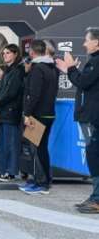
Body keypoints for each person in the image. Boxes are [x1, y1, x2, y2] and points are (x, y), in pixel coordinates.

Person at [56, 27, 99, 213]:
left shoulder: (96, 62)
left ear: (97, 42)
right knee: (94, 155)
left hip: (92, 116)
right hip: (91, 115)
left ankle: (97, 198)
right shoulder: (93, 61)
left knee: (94, 156)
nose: (84, 43)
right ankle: (95, 196)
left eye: (87, 40)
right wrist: (71, 70)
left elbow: (83, 82)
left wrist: (71, 68)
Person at [19, 39, 59, 195]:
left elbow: (33, 95)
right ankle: (46, 180)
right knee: (42, 149)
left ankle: (40, 183)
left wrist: (27, 114)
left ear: (32, 52)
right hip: (49, 113)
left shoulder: (37, 69)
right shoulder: (52, 68)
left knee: (35, 149)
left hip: (37, 115)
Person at [0, 44, 25, 182]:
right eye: (3, 53)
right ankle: (2, 170)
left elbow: (12, 92)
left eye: (8, 53)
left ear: (16, 54)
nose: (5, 55)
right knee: (1, 143)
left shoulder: (18, 70)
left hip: (11, 111)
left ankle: (11, 172)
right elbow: (0, 89)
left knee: (11, 143)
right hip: (1, 112)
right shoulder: (8, 70)